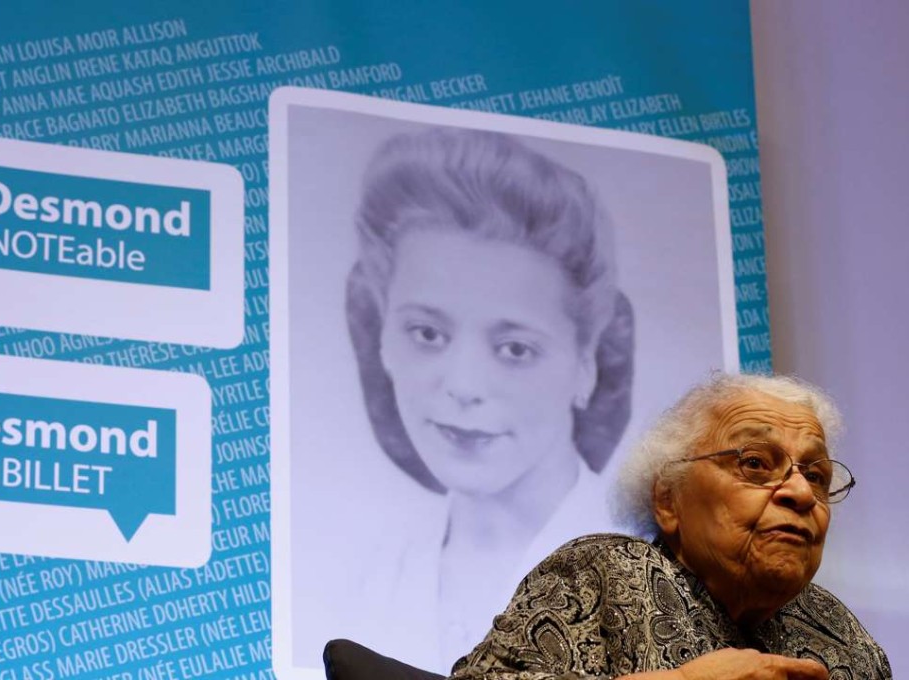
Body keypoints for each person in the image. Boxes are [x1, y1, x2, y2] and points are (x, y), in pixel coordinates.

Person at [344, 127, 635, 669]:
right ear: (383, 337)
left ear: (585, 365)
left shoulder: (648, 574)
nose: (465, 386)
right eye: (427, 333)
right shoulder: (369, 581)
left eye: (515, 348)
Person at [447, 373, 892, 679]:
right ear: (668, 499)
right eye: (755, 463)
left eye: (816, 475)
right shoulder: (601, 573)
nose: (800, 492)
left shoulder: (842, 634)